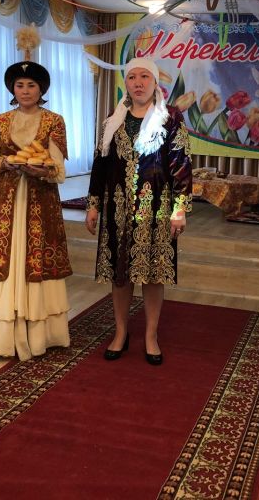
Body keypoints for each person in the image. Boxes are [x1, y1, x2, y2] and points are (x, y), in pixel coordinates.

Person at [85, 57, 192, 366]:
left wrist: (180, 209)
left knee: (153, 274)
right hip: (117, 209)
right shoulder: (113, 119)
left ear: (155, 82)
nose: (138, 83)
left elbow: (181, 164)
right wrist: (93, 205)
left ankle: (151, 335)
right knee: (119, 274)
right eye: (132, 77)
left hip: (155, 209)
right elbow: (100, 164)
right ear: (126, 83)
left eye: (145, 76)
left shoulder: (169, 118)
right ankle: (121, 332)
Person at [0, 60, 72, 360]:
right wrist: (3, 163)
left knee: (37, 257)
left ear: (41, 90)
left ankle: (39, 334)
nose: (25, 91)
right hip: (6, 200)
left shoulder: (54, 121)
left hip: (41, 200)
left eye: (31, 85)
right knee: (4, 256)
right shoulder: (0, 121)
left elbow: (58, 167)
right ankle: (1, 335)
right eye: (20, 85)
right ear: (12, 89)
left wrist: (43, 170)